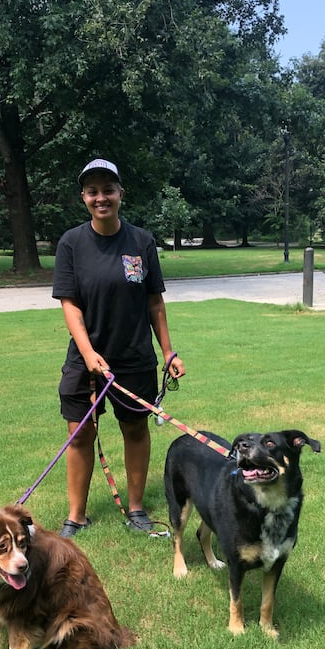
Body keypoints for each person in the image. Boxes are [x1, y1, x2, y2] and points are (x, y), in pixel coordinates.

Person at [52, 158, 185, 537]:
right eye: (93, 191)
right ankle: (76, 515)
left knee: (135, 429)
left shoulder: (141, 241)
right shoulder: (71, 243)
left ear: (120, 194)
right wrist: (89, 353)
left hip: (133, 356)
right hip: (85, 358)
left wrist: (168, 352)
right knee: (79, 434)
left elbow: (154, 302)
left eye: (107, 189)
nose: (101, 198)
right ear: (84, 197)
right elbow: (70, 305)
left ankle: (137, 509)